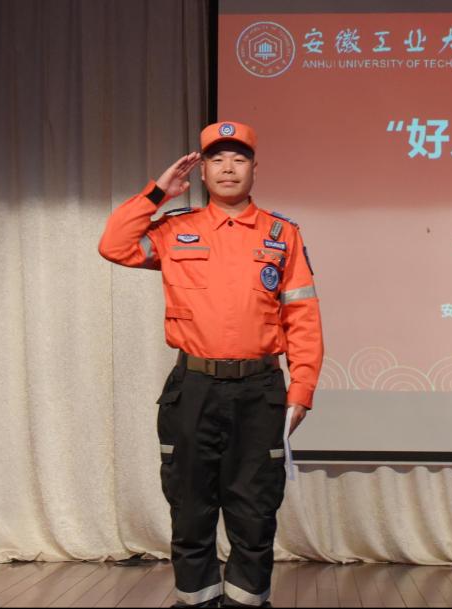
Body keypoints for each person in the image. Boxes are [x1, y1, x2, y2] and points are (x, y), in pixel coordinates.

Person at [98, 121, 323, 607]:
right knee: (190, 508)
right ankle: (196, 600)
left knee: (255, 511)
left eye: (239, 159)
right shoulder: (176, 228)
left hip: (260, 392)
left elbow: (303, 316)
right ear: (202, 171)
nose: (228, 168)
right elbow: (113, 245)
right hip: (193, 388)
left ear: (255, 169)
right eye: (216, 159)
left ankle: (247, 601)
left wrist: (301, 390)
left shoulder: (282, 234)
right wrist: (158, 192)